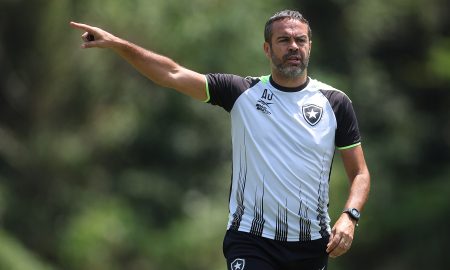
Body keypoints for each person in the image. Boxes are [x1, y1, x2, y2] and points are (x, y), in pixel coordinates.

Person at [70, 9, 370, 270]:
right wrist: (117, 44)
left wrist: (349, 217)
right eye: (283, 40)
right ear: (267, 49)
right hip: (251, 240)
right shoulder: (241, 93)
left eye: (300, 40)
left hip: (311, 244)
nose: (293, 47)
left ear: (310, 46)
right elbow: (171, 73)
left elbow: (360, 173)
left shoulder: (334, 102)